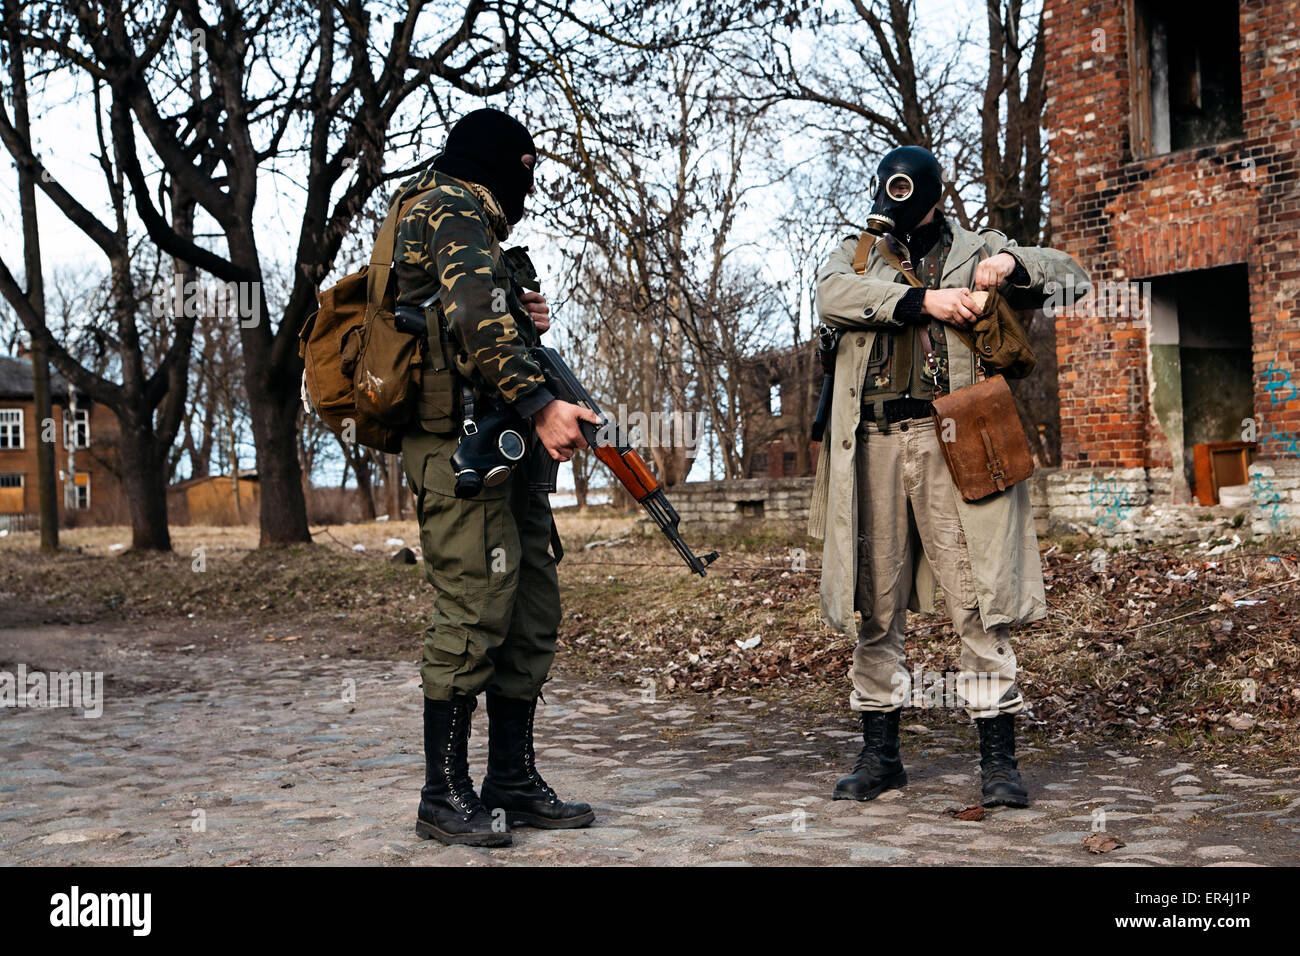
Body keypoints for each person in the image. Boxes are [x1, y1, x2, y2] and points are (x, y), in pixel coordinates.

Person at [808, 145, 1088, 808]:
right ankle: (880, 756)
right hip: (870, 443)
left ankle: (998, 761)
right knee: (874, 603)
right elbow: (832, 297)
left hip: (954, 438)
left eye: (909, 196)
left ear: (936, 196)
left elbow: (1072, 277)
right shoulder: (857, 254)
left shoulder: (977, 246)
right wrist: (924, 301)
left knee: (978, 598)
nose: (895, 211)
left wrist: (1011, 263)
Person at [392, 108, 600, 846]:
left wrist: (522, 311)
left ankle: (509, 778)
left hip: (502, 442)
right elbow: (475, 319)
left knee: (530, 604)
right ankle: (441, 796)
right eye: (525, 168)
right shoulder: (447, 207)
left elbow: (481, 310)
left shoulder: (476, 225)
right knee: (475, 606)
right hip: (459, 450)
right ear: (500, 163)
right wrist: (543, 404)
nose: (530, 186)